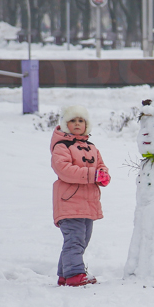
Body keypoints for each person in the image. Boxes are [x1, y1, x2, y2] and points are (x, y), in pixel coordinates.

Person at [50, 106, 110, 287]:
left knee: (81, 241)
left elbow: (100, 165)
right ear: (65, 124)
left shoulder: (91, 147)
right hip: (69, 201)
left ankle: (64, 274)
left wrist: (103, 175)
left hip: (88, 203)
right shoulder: (62, 146)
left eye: (81, 121)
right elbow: (64, 169)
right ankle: (75, 274)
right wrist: (92, 175)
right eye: (73, 120)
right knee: (74, 240)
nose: (77, 124)